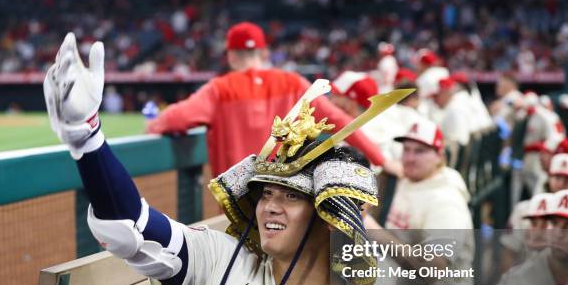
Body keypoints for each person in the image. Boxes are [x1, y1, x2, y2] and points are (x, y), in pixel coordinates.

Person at [43, 33, 431, 285]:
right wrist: (87, 137)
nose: (269, 207)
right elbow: (131, 227)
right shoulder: (220, 264)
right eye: (265, 193)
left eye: (291, 196)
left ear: (329, 214)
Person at [145, 22, 395, 177]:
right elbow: (342, 122)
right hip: (285, 200)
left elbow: (174, 119)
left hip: (239, 203)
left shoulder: (219, 89)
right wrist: (381, 159)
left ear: (231, 56)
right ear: (264, 52)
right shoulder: (293, 82)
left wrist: (154, 124)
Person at [373, 119, 475, 285]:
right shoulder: (410, 179)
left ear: (439, 157)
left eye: (420, 151)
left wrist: (375, 232)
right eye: (405, 149)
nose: (409, 157)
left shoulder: (446, 201)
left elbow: (432, 270)